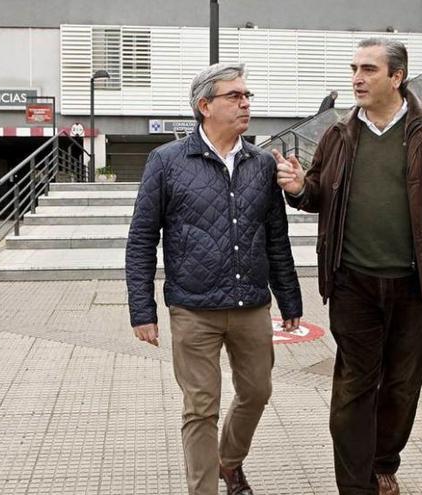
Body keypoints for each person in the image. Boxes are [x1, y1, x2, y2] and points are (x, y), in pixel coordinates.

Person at [274, 38, 422, 495]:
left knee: (402, 383)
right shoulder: (339, 133)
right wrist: (296, 187)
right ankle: (357, 486)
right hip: (352, 282)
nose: (357, 78)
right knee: (353, 386)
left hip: (419, 283)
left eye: (368, 69)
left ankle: (384, 460)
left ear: (397, 76)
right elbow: (317, 195)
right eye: (354, 68)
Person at [126, 62, 303, 495]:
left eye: (247, 96)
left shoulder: (262, 163)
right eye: (235, 96)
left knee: (257, 392)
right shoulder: (167, 161)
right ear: (204, 105)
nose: (246, 103)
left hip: (251, 306)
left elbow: (275, 237)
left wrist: (290, 299)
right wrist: (141, 310)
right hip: (193, 309)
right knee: (200, 407)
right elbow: (142, 238)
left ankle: (229, 461)